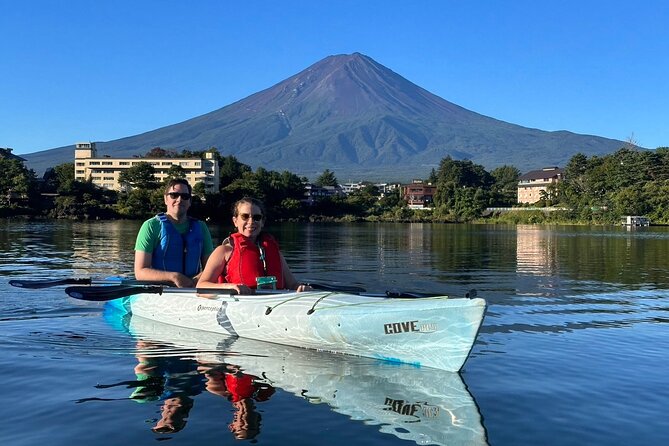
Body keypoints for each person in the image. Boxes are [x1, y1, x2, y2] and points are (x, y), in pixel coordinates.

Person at [197, 197, 311, 294]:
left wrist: (302, 288)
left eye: (256, 217)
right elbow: (201, 286)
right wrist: (229, 287)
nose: (251, 221)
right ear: (235, 221)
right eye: (245, 216)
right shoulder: (223, 251)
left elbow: (292, 284)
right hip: (240, 307)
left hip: (272, 306)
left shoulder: (274, 251)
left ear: (262, 222)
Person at [134, 178, 214, 288]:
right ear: (166, 199)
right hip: (161, 291)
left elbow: (211, 268)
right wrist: (174, 277)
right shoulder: (151, 226)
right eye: (174, 195)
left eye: (185, 196)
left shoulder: (201, 227)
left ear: (189, 202)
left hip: (193, 289)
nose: (179, 199)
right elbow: (140, 272)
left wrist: (195, 280)